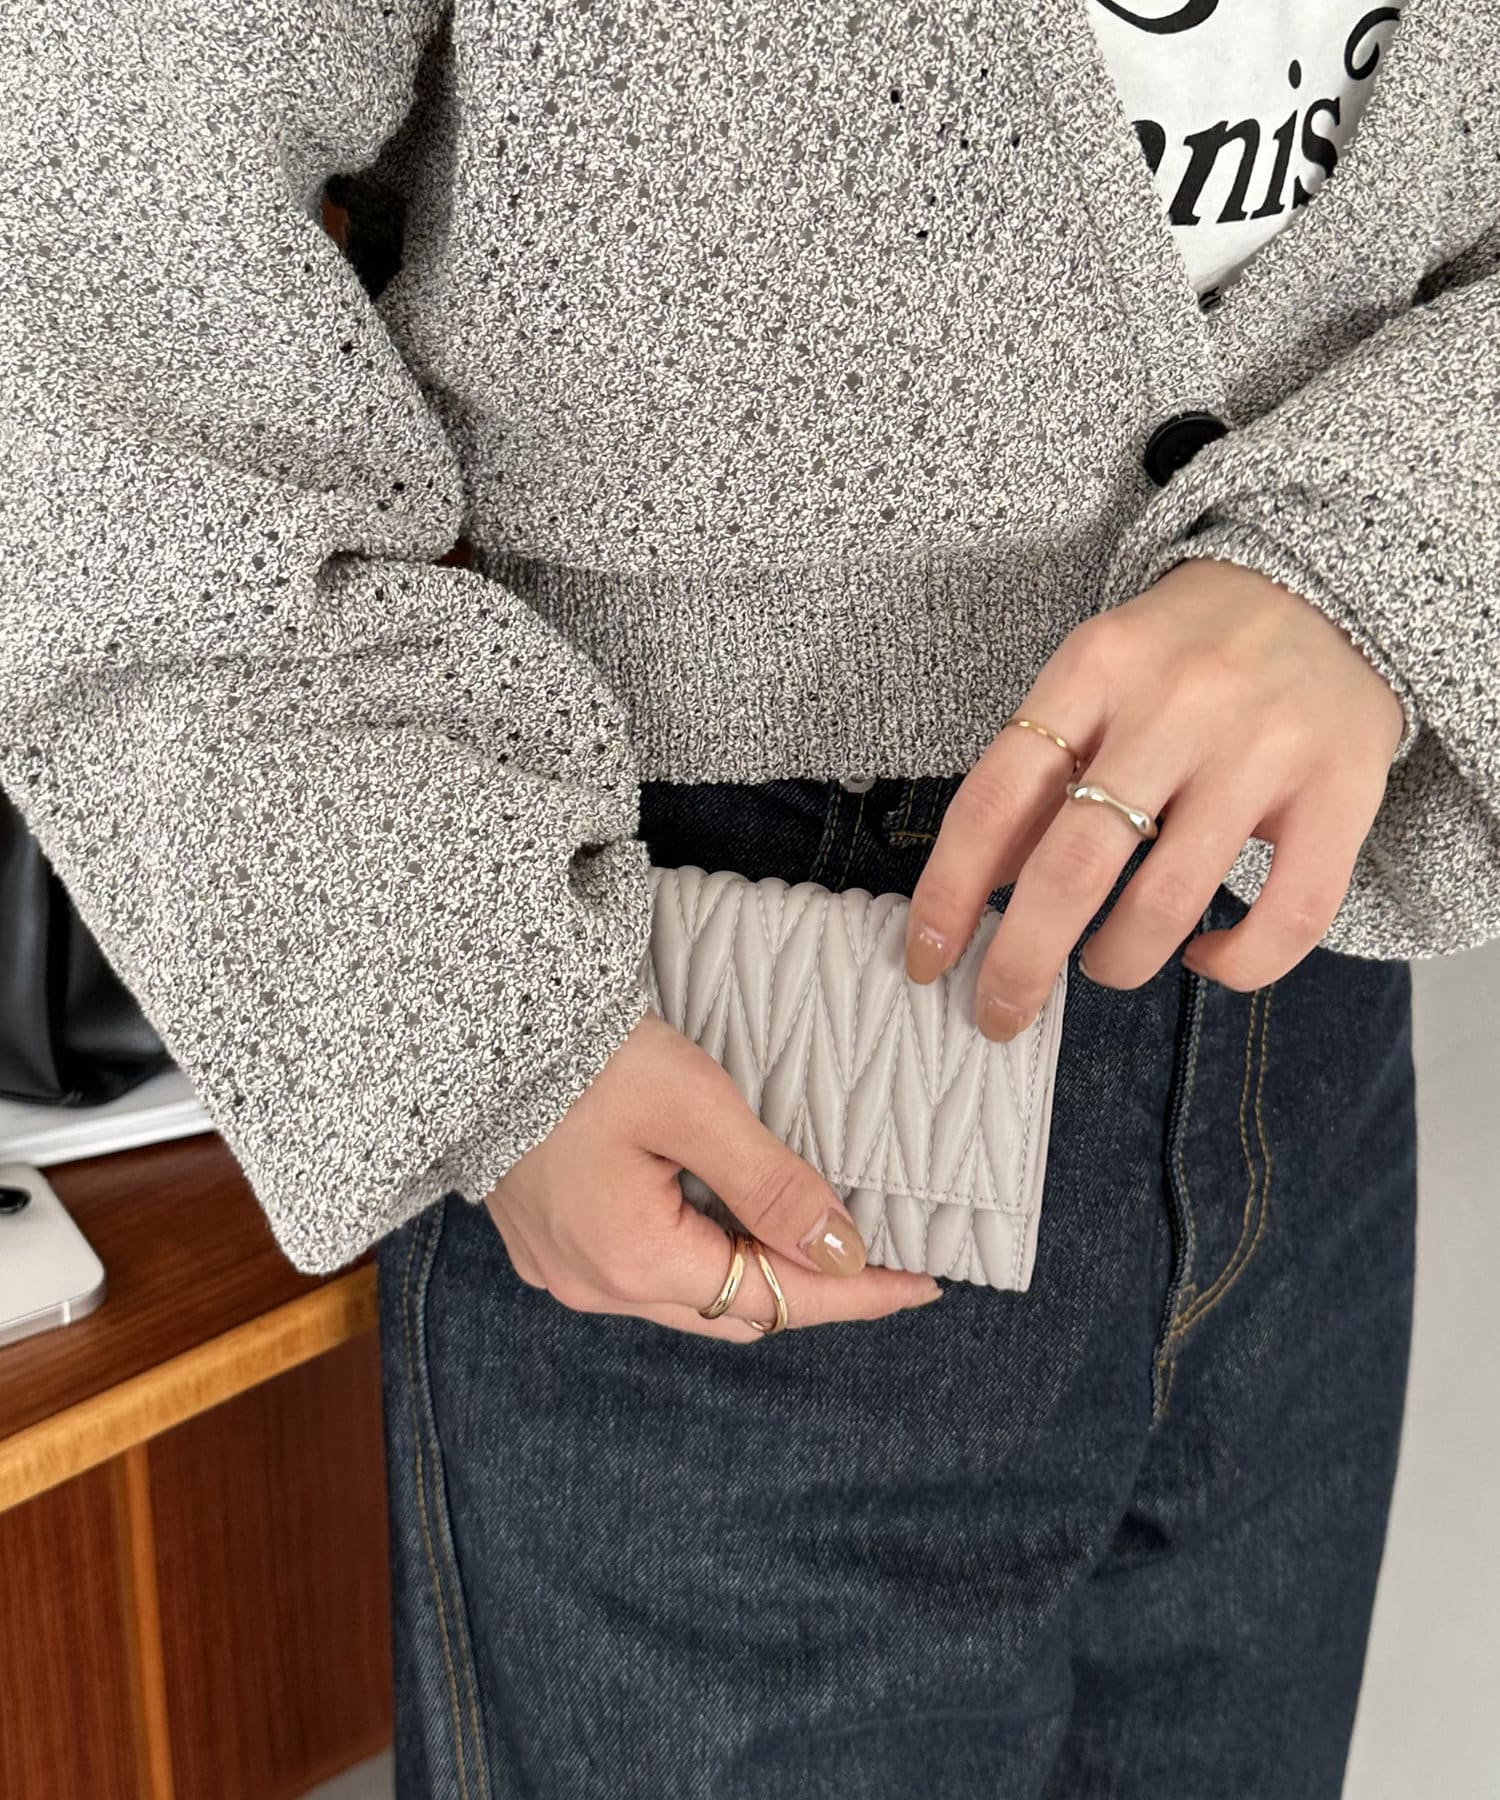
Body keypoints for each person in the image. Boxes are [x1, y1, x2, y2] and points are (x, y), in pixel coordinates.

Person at [2, 1, 1496, 1794]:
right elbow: (87, 243)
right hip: (709, 1043)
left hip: (1301, 978)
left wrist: (1384, 554)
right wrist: (470, 1013)